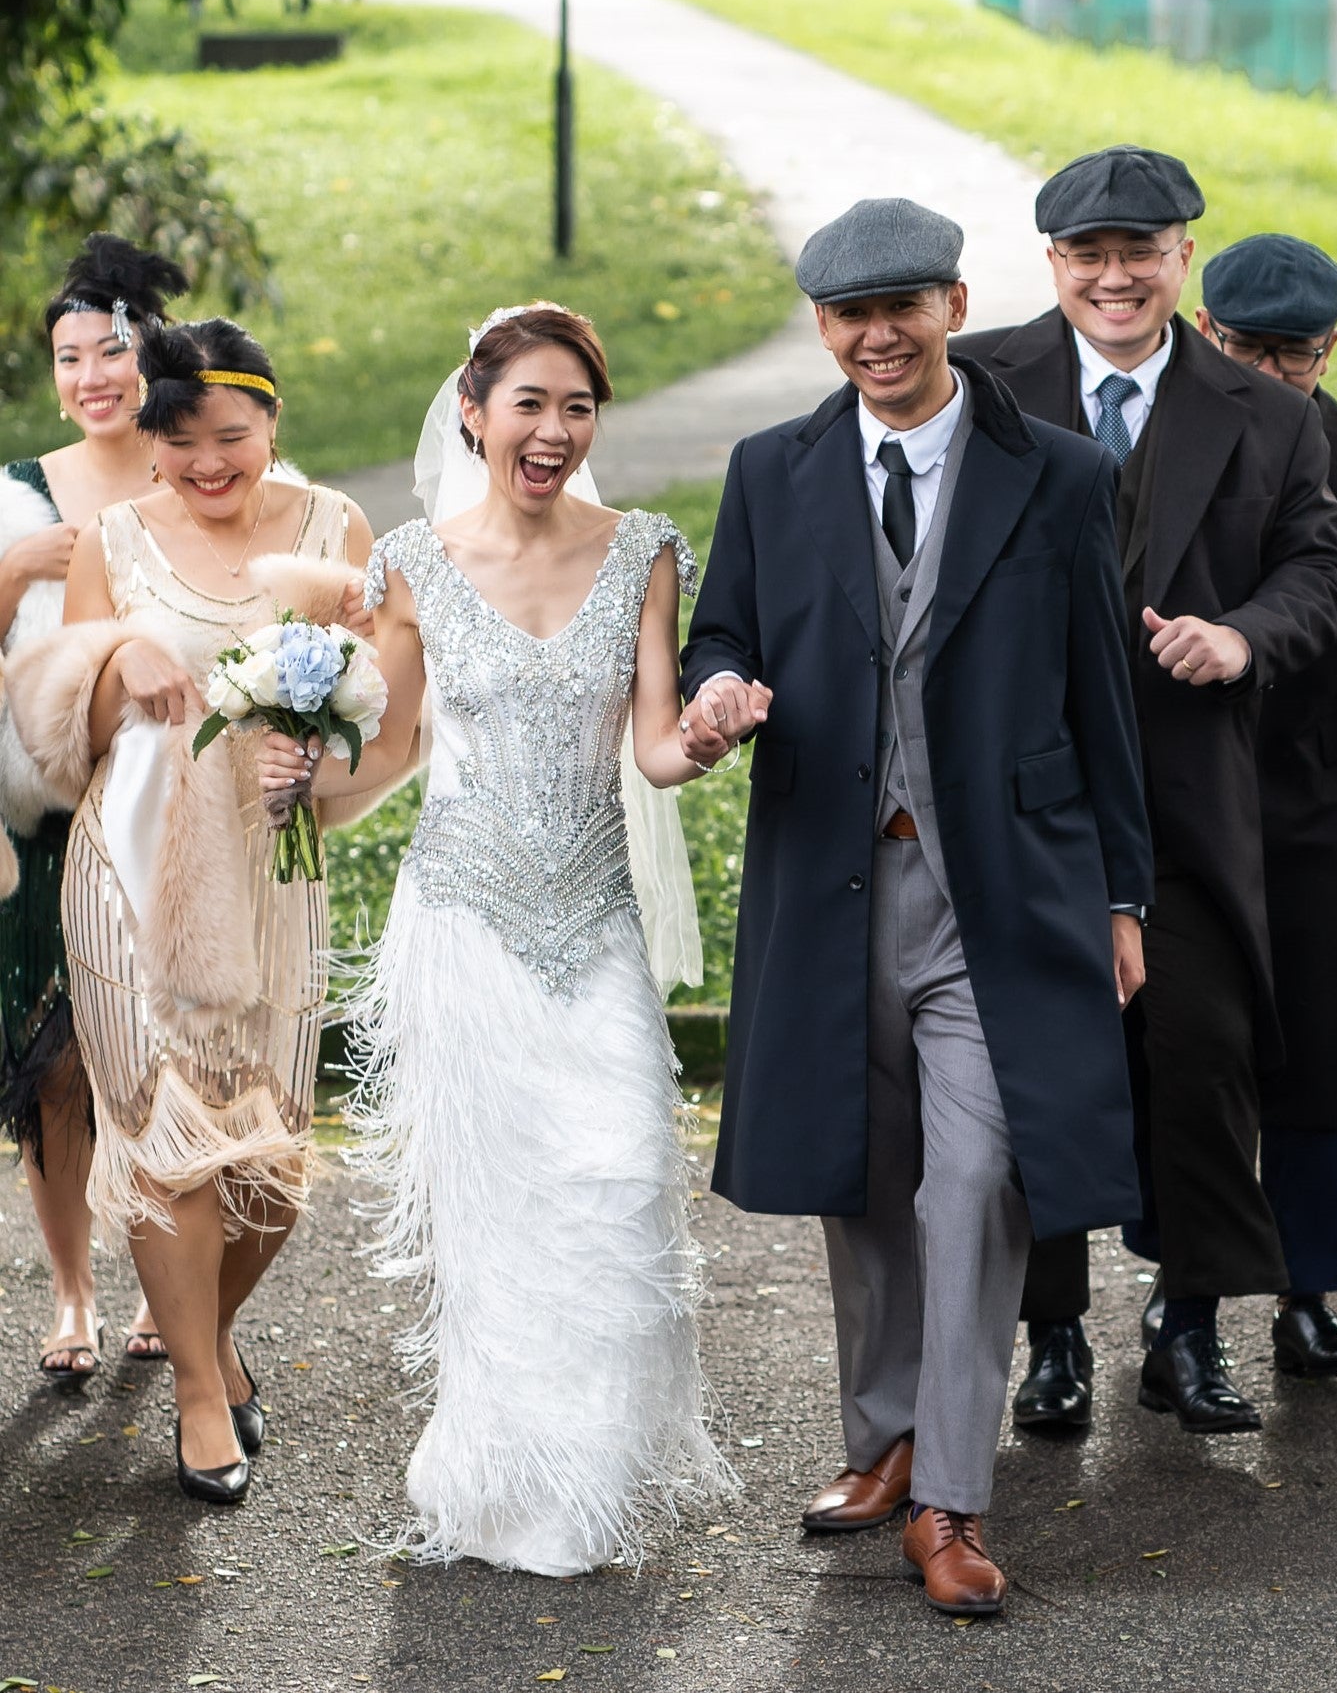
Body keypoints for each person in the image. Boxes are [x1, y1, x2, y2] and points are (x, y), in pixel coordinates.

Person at [678, 199, 1151, 1617]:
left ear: (951, 301)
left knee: (978, 1177)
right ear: (824, 325)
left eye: (901, 308)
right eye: (847, 315)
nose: (875, 337)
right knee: (864, 1172)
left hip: (1002, 886)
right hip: (830, 878)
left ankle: (950, 1494)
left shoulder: (1059, 474)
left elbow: (1102, 695)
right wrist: (714, 689)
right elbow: (726, 626)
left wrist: (1125, 888)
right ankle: (880, 1435)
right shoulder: (774, 468)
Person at [259, 302, 734, 1576]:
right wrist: (304, 778)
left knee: (620, 1178)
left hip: (592, 919)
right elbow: (397, 746)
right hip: (461, 922)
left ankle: (588, 1469)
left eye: (579, 406)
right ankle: (501, 1474)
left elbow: (650, 743)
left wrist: (703, 736)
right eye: (530, 401)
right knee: (499, 1214)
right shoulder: (410, 560)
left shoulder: (643, 548)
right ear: (473, 411)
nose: (556, 429)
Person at [958, 147, 1337, 1434]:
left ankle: (1189, 1323)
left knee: (1202, 1050)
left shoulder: (1271, 412)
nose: (1117, 274)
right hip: (1021, 801)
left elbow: (1319, 578)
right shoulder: (975, 386)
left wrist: (1240, 635)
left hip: (1191, 796)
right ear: (1055, 262)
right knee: (1042, 1068)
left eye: (1144, 249)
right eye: (1089, 253)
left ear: (1186, 253)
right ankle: (1053, 1337)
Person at [8, 316, 374, 1503]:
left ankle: (205, 1333)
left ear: (271, 420)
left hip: (274, 866)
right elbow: (59, 725)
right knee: (168, 1130)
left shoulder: (333, 529)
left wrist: (320, 755)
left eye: (231, 435)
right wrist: (118, 664)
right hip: (131, 860)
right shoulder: (114, 536)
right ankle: (199, 1392)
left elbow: (373, 696)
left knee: (270, 1149)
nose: (206, 464)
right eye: (179, 442)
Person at [0, 235, 188, 1382]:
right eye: (68, 359)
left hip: (169, 818)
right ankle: (72, 1293)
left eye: (109, 351)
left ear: (147, 350)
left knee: (163, 1066)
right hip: (48, 816)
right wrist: (16, 570)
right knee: (53, 1070)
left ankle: (172, 1285)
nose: (90, 377)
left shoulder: (197, 467)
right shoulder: (16, 494)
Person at [1197, 234, 1337, 1377]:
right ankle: (1189, 1304)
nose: (1269, 375)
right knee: (1193, 1063)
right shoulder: (1163, 439)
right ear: (1210, 335)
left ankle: (1306, 1296)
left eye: (1293, 356)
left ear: (1332, 348)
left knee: (1312, 1057)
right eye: (1249, 350)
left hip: (1315, 801)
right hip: (1184, 802)